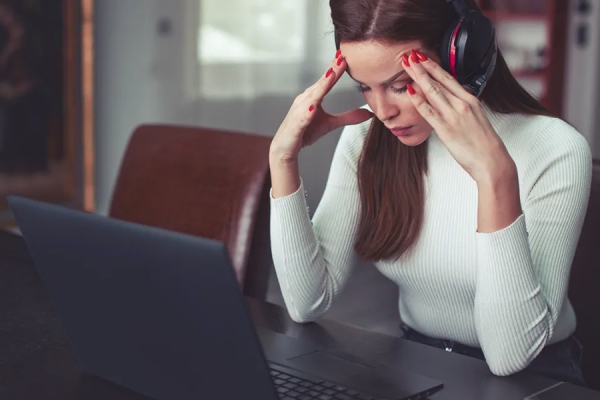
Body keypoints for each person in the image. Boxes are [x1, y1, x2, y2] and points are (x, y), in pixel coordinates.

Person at [268, 0, 592, 387]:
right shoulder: (367, 136)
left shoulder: (555, 148)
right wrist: (281, 159)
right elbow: (307, 301)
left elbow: (510, 356)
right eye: (365, 87)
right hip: (416, 363)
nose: (383, 111)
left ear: (461, 57)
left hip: (536, 379)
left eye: (401, 86)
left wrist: (495, 176)